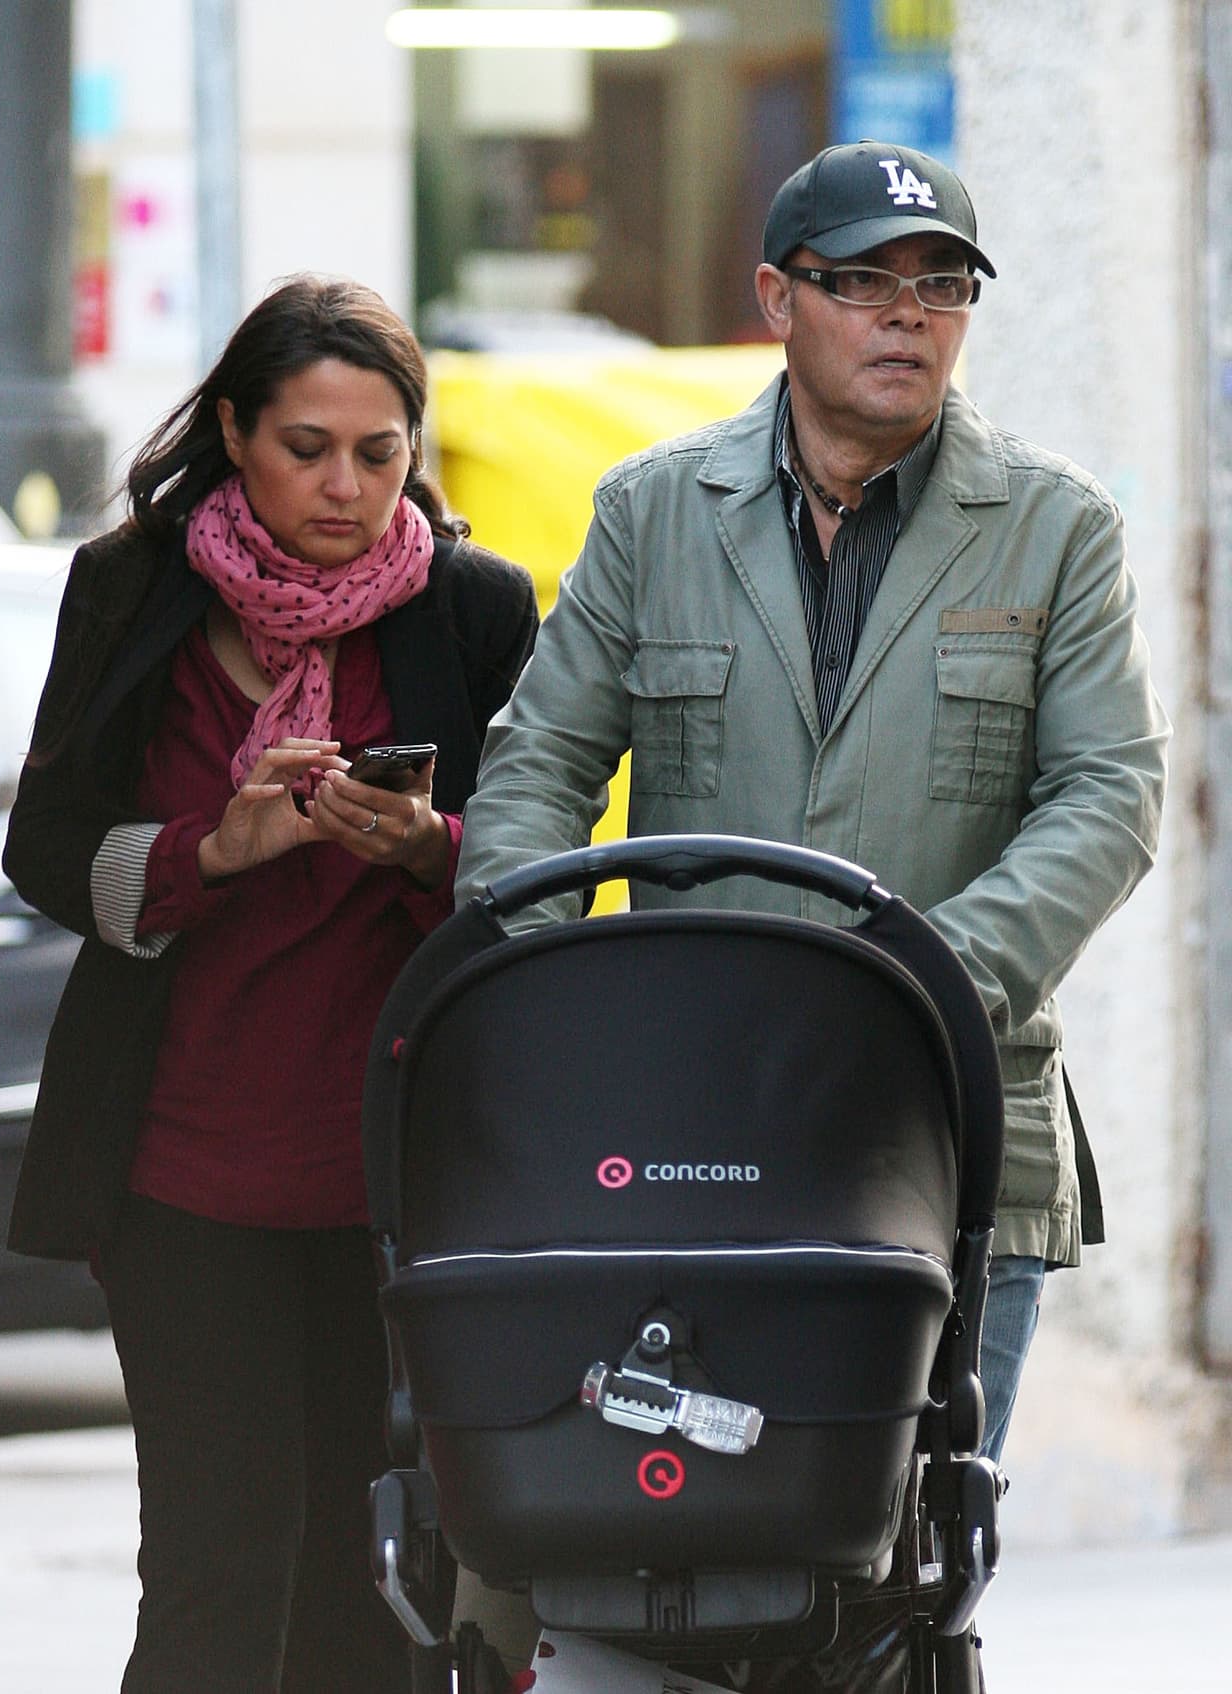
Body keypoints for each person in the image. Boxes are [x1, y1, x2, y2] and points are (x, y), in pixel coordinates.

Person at [456, 141, 1170, 1688]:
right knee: (669, 1567)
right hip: (678, 1139)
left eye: (941, 286)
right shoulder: (654, 514)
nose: (907, 317)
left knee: (895, 1574)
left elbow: (1109, 798)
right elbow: (534, 781)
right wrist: (551, 1013)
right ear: (778, 299)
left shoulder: (1055, 529)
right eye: (862, 282)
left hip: (946, 1130)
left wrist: (919, 979)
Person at [3, 275, 538, 1693]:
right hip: (178, 1169)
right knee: (213, 1572)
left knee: (373, 1583)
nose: (347, 486)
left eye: (380, 451)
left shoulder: (470, 609)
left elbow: (549, 858)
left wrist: (435, 846)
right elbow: (46, 847)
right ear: (234, 431)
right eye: (307, 446)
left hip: (399, 1181)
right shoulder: (130, 591)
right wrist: (208, 850)